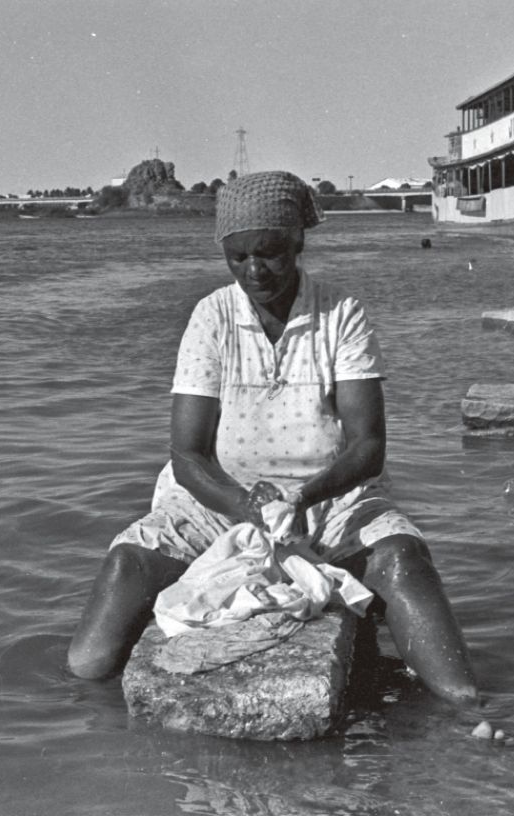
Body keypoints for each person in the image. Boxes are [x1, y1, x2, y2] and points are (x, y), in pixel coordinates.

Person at [67, 170, 478, 705]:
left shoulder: (340, 315)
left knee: (402, 559)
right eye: (238, 257)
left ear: (298, 243)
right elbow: (187, 455)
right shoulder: (211, 318)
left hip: (332, 499)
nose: (254, 271)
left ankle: (468, 708)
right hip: (217, 501)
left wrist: (303, 498)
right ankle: (91, 713)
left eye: (270, 253)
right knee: (113, 600)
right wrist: (244, 506)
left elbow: (367, 447)